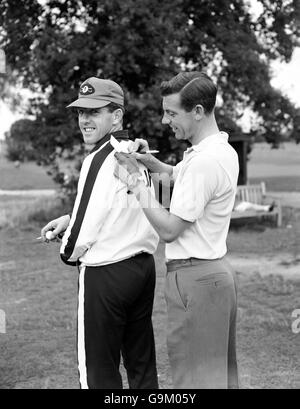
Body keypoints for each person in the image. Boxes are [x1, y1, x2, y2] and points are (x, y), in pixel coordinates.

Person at [114, 71, 240, 389]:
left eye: (171, 112)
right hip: (214, 275)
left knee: (195, 380)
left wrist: (135, 183)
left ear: (197, 111)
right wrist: (150, 165)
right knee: (216, 377)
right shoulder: (219, 151)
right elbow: (179, 178)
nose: (164, 120)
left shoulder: (204, 163)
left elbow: (170, 229)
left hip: (194, 280)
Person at [40, 77, 159, 389]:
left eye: (94, 112)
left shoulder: (99, 158)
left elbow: (81, 235)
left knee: (98, 372)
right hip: (143, 269)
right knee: (141, 365)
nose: (85, 119)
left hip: (107, 274)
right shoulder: (134, 152)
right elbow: (130, 207)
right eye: (81, 112)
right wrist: (70, 217)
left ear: (116, 116)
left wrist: (66, 252)